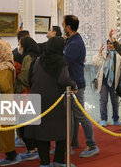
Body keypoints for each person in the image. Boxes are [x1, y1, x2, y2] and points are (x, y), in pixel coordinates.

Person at [25, 37, 77, 167]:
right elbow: (64, 79)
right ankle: (59, 161)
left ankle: (45, 163)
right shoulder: (61, 61)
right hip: (55, 100)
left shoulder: (38, 60)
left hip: (38, 98)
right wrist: (74, 85)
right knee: (62, 131)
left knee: (41, 133)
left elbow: (30, 78)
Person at [62, 15, 99, 158]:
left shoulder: (75, 43)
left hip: (75, 84)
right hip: (70, 84)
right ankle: (69, 145)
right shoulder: (71, 41)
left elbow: (64, 61)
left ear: (69, 27)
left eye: (63, 24)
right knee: (70, 116)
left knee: (80, 115)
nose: (63, 27)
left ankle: (92, 144)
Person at [14, 37, 40, 162]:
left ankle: (31, 150)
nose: (19, 47)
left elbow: (24, 77)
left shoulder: (27, 58)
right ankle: (34, 148)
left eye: (20, 44)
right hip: (34, 92)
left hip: (25, 94)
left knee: (22, 122)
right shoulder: (38, 56)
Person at [92, 40, 121, 126]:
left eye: (111, 43)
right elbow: (95, 63)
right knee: (103, 101)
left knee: (115, 102)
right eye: (108, 43)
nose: (110, 45)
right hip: (104, 82)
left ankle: (115, 119)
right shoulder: (103, 54)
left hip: (114, 82)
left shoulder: (119, 56)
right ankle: (103, 119)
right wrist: (99, 52)